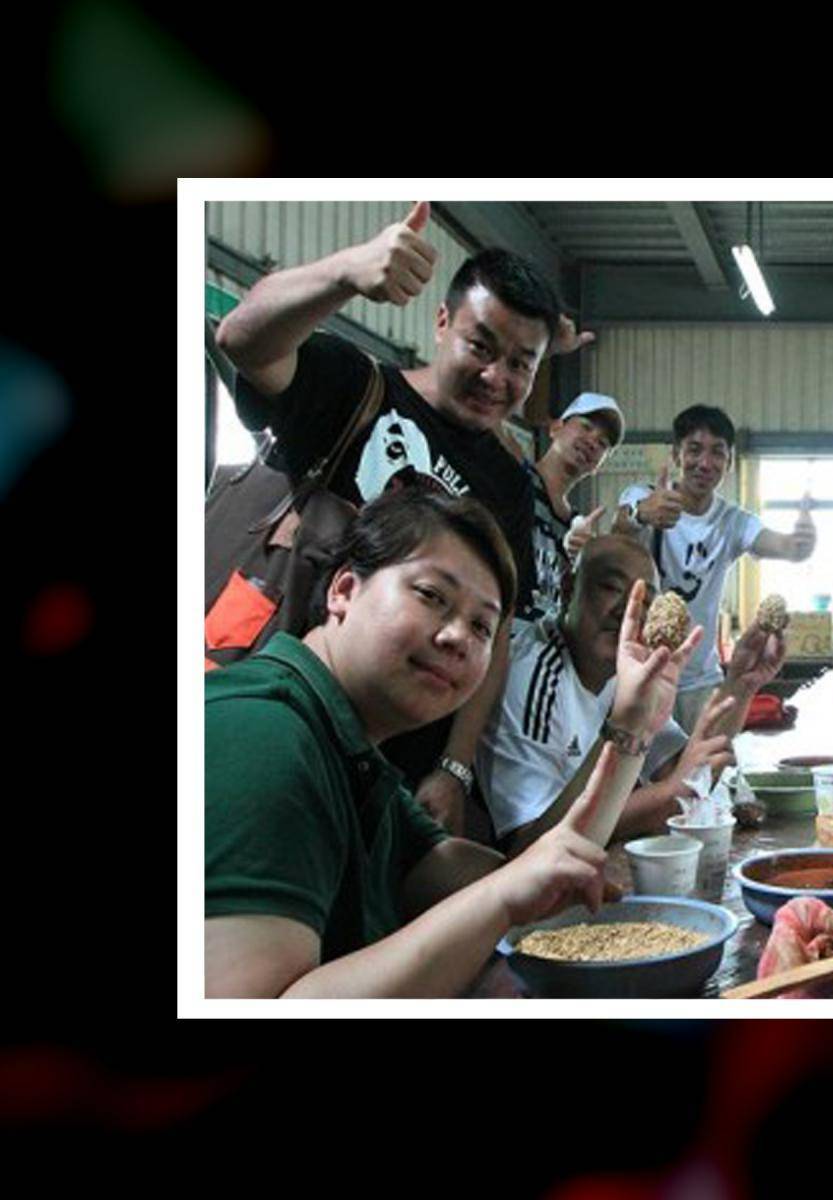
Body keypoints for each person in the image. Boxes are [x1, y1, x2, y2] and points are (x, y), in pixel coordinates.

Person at [203, 489, 687, 998]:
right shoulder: (264, 736)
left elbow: (534, 878)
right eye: (432, 596)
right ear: (344, 589)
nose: (459, 637)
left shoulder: (355, 754)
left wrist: (631, 726)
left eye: (482, 625)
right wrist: (502, 898)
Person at [214, 200, 594, 836]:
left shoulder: (507, 479)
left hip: (390, 777)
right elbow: (242, 338)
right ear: (442, 322)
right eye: (481, 344)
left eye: (521, 363)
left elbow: (494, 630)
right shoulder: (356, 389)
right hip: (272, 727)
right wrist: (346, 273)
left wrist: (454, 766)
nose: (496, 375)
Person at [477, 532, 787, 855]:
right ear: (568, 589)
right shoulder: (531, 677)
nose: (627, 611)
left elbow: (688, 771)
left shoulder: (625, 670)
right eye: (611, 588)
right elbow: (528, 845)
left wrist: (740, 683)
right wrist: (668, 796)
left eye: (645, 601)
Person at [615, 404, 815, 733]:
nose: (705, 463)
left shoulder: (732, 521)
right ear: (676, 455)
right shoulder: (645, 497)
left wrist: (800, 544)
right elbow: (618, 528)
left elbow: (780, 545)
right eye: (694, 450)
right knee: (636, 777)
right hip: (639, 674)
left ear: (730, 462)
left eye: (717, 453)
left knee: (705, 773)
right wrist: (641, 514)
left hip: (700, 681)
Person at [518, 392, 624, 624]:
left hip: (544, 650)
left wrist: (581, 565)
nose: (593, 441)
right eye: (586, 426)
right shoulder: (515, 481)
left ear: (598, 465)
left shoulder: (578, 528)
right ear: (555, 428)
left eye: (603, 443)